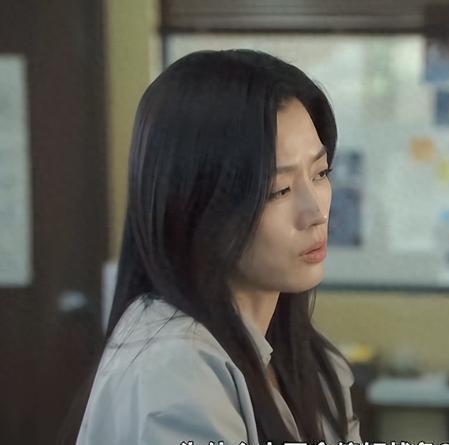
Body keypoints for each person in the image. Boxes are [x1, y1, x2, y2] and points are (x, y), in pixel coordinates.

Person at [72, 49, 361, 445]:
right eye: (279, 189)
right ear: (197, 201)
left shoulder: (309, 360)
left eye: (320, 173)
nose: (316, 213)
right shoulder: (174, 368)